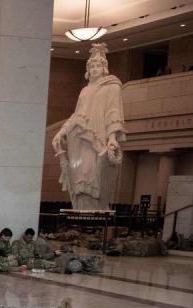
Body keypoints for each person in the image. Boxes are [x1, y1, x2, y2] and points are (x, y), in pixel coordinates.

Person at [52, 43, 125, 211]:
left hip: (96, 136)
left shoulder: (112, 87)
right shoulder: (84, 91)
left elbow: (114, 112)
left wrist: (112, 138)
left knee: (92, 172)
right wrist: (62, 131)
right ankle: (80, 209)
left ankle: (95, 209)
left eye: (98, 65)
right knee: (78, 174)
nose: (94, 69)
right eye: (91, 66)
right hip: (78, 136)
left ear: (104, 68)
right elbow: (76, 114)